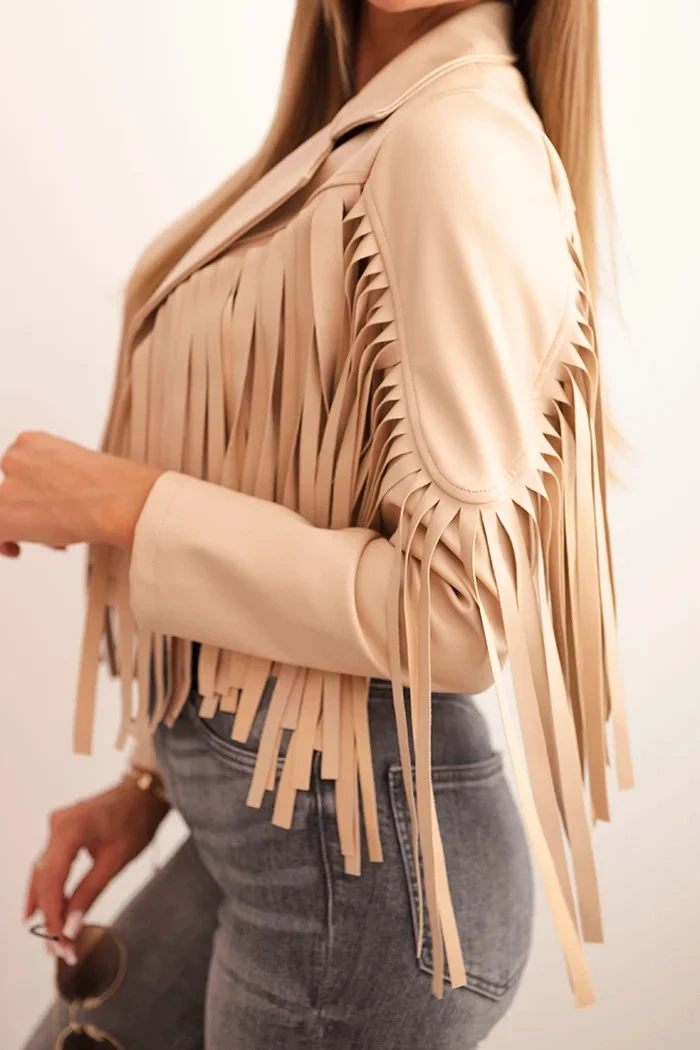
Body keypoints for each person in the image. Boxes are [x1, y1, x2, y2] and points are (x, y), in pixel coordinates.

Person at [5, 1, 634, 1047]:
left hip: (362, 886)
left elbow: (458, 615)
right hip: (276, 836)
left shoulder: (451, 143)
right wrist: (152, 782)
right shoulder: (370, 128)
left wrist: (123, 503)